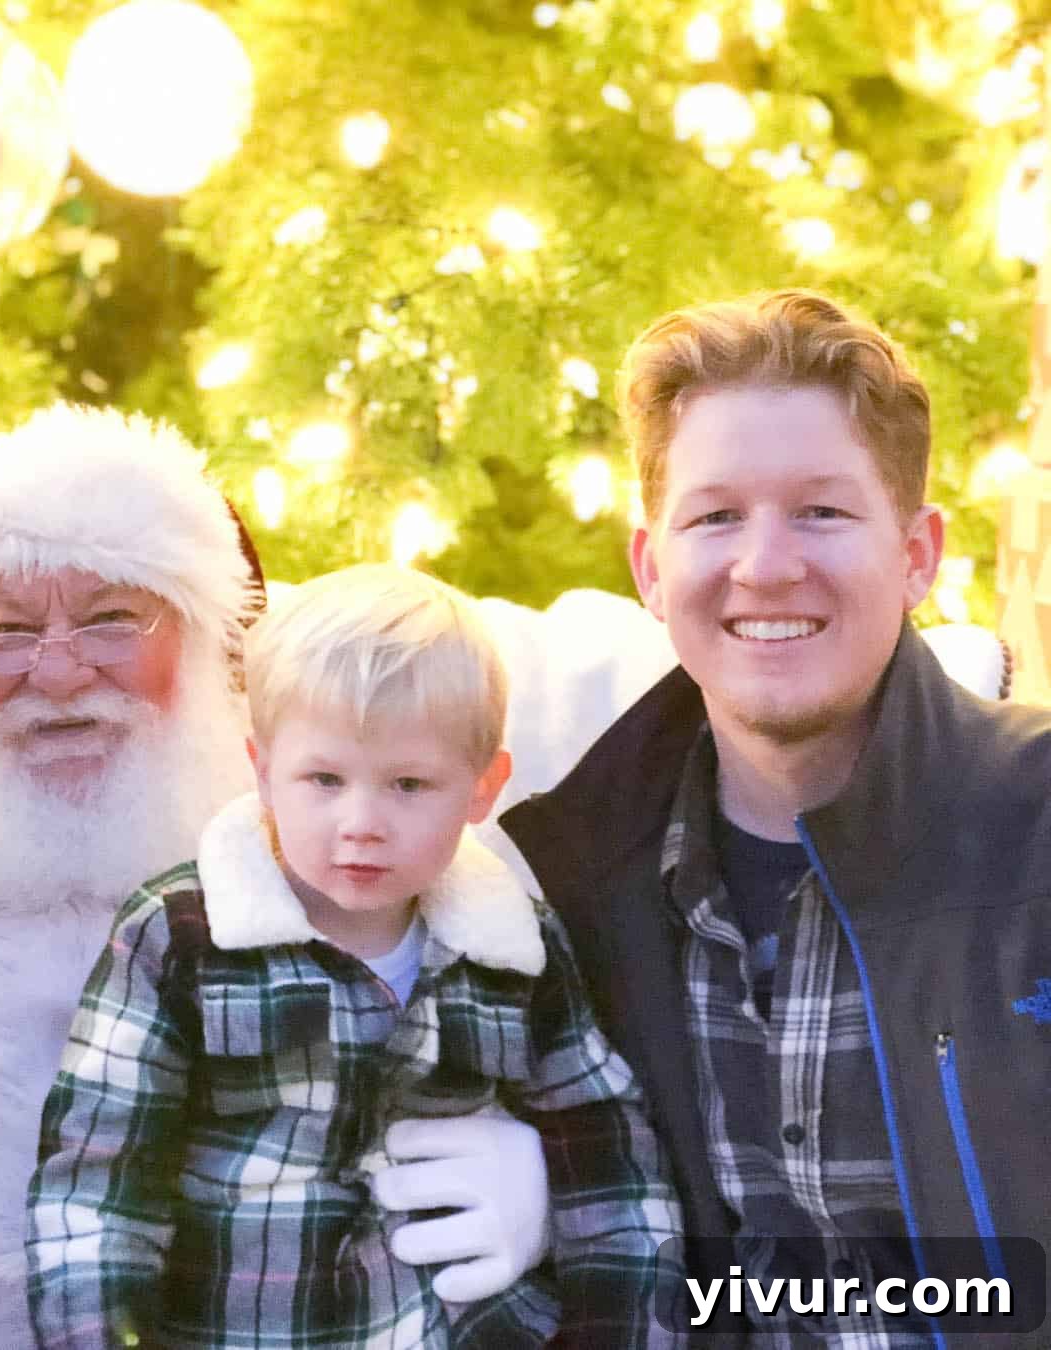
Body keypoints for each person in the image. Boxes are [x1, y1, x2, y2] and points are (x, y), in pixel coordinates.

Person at [0, 403, 557, 1349]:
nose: (56, 676)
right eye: (4, 630)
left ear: (213, 638)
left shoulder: (353, 857)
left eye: (112, 620)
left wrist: (553, 1180)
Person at [500, 290, 1051, 1342]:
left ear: (919, 555)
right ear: (652, 571)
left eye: (823, 511)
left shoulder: (1035, 831)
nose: (765, 565)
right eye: (715, 517)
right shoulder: (570, 888)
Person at [26, 563, 679, 1348]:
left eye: (408, 785)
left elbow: (614, 1163)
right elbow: (96, 1199)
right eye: (325, 779)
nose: (361, 822)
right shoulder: (179, 937)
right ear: (264, 770)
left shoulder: (515, 951)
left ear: (483, 787)